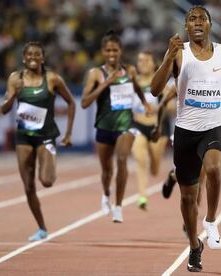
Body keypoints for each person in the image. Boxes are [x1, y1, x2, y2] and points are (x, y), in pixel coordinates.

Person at [151, 6, 221, 272]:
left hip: (214, 128)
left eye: (202, 19)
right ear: (186, 26)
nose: (197, 22)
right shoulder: (179, 52)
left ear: (210, 24)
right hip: (186, 132)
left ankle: (210, 220)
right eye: (192, 19)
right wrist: (168, 58)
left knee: (212, 168)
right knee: (188, 198)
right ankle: (194, 246)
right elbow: (154, 90)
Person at [1, 41, 76, 241]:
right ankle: (42, 228)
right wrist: (13, 95)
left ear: (42, 58)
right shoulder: (15, 79)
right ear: (24, 58)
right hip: (24, 136)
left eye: (37, 54)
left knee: (47, 181)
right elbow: (4, 109)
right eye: (29, 55)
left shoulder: (52, 79)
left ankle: (50, 157)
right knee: (28, 186)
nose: (33, 57)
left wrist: (68, 134)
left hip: (46, 135)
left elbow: (71, 102)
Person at [81, 30, 151, 223]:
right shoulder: (96, 73)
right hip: (104, 126)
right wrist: (105, 84)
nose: (112, 54)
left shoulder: (129, 70)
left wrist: (144, 102)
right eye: (108, 50)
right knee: (107, 171)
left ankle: (119, 206)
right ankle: (106, 194)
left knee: (122, 159)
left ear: (120, 51)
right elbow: (85, 102)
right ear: (103, 52)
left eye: (115, 50)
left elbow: (136, 87)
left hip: (125, 125)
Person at [131, 51, 173, 210]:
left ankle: (155, 167)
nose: (142, 63)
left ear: (154, 64)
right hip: (138, 125)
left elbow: (171, 106)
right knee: (139, 157)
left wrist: (155, 108)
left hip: (158, 129)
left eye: (147, 60)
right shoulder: (133, 82)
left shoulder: (161, 83)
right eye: (140, 60)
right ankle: (142, 196)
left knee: (154, 168)